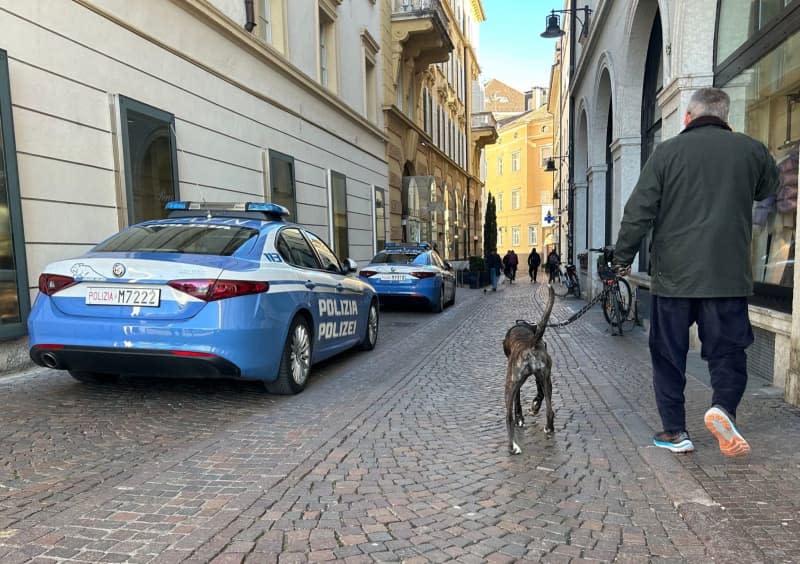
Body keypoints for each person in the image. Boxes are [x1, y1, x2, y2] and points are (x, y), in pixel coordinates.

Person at [612, 87, 779, 457]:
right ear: (725, 117)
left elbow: (638, 212)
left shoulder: (666, 153)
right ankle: (723, 408)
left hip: (674, 278)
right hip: (727, 276)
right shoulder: (750, 149)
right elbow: (769, 188)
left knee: (668, 354)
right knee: (728, 352)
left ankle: (675, 431)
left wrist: (621, 259)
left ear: (687, 117)